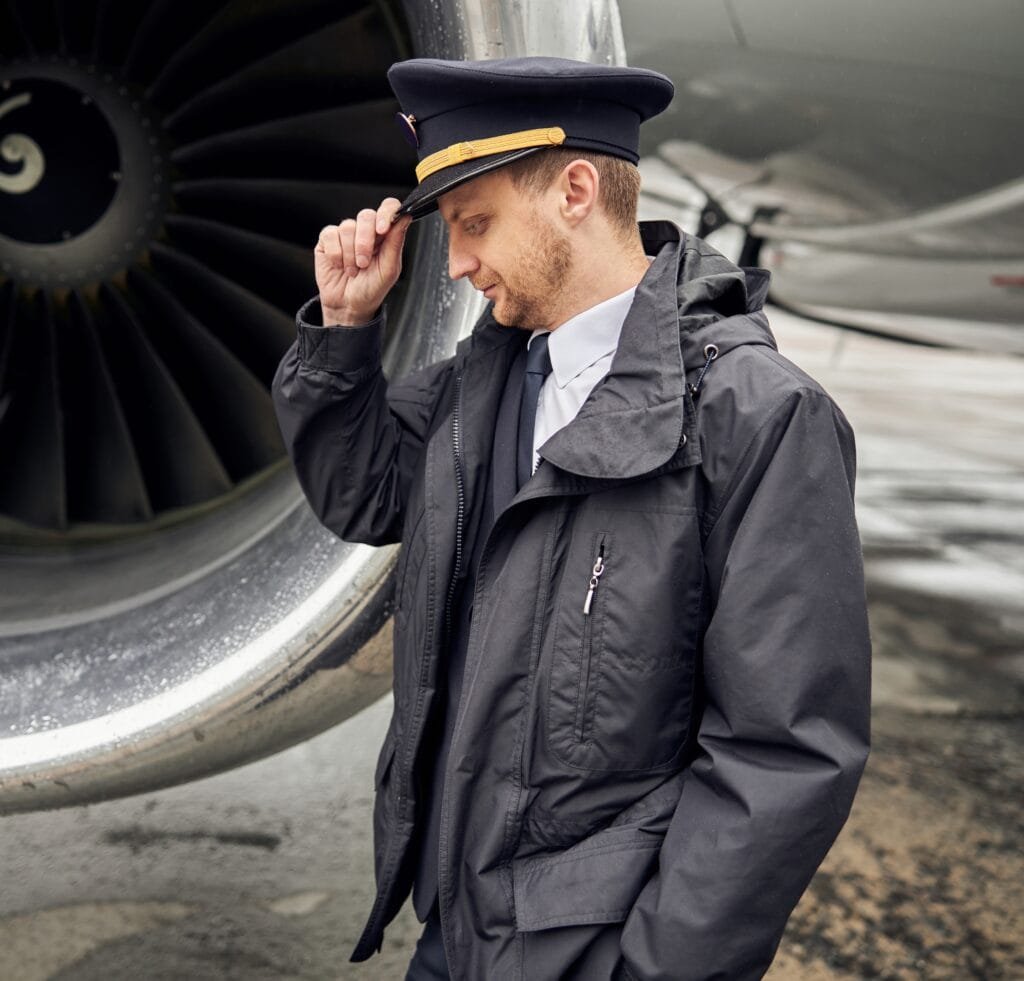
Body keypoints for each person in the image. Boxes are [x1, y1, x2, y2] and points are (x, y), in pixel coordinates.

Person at [272, 56, 871, 981]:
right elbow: (368, 496)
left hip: (596, 954)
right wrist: (343, 336)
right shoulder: (484, 385)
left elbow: (783, 752)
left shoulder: (757, 417)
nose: (459, 261)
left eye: (475, 224)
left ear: (576, 191)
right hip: (454, 931)